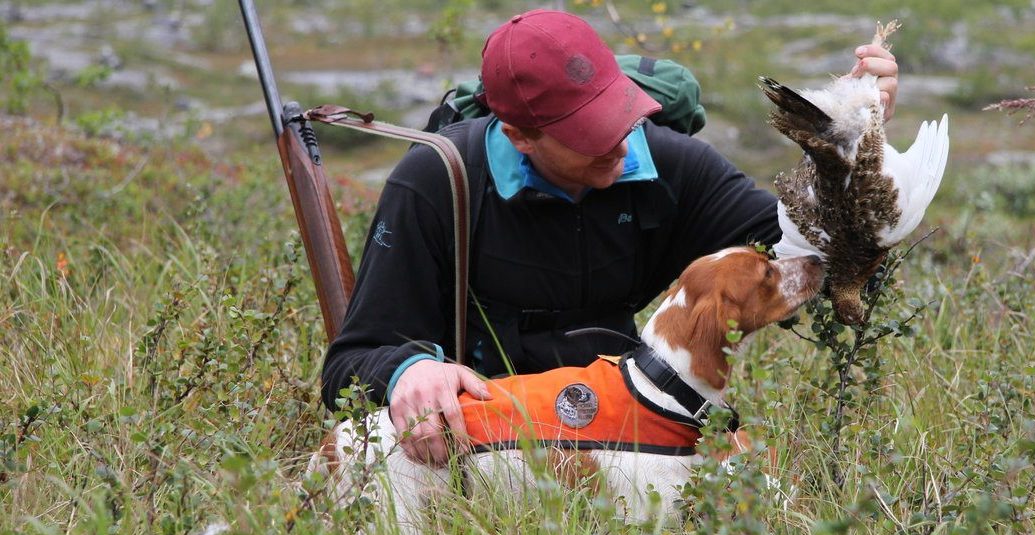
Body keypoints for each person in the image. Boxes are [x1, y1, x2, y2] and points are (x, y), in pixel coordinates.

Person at [321, 9, 901, 466]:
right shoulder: (438, 183)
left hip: (630, 425)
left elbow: (817, 263)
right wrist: (408, 371)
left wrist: (852, 146)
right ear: (520, 136)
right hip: (489, 449)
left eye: (619, 115)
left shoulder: (672, 165)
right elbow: (350, 363)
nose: (623, 147)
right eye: (589, 135)